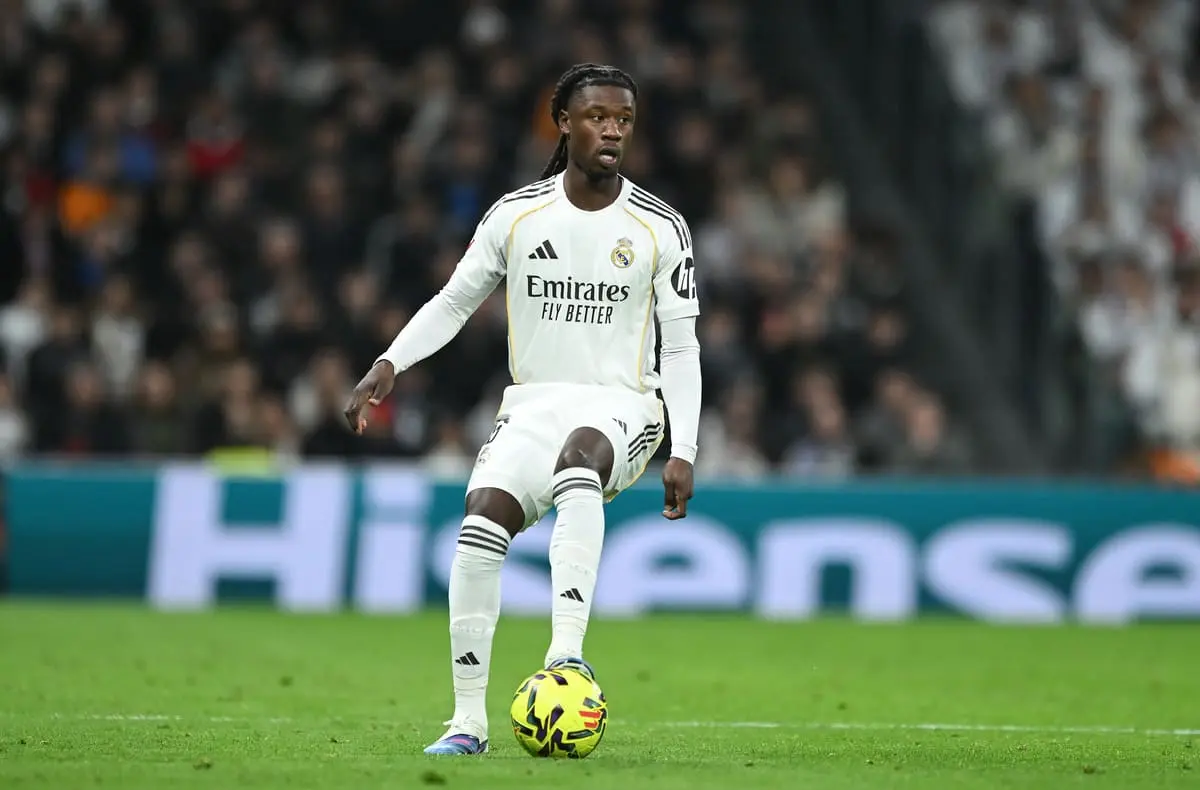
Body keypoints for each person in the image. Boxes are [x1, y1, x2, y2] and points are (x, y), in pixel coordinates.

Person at [343, 63, 702, 755]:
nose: (612, 131)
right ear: (563, 122)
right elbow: (453, 301)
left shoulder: (660, 226)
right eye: (598, 116)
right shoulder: (516, 215)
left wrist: (682, 447)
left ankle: (566, 658)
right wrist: (389, 363)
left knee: (579, 466)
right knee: (479, 525)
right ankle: (467, 723)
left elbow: (682, 347)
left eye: (623, 120)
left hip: (626, 405)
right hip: (533, 405)